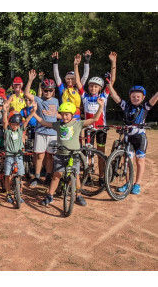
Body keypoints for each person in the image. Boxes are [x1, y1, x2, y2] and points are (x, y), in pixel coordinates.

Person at [33, 99, 105, 207]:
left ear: (72, 115)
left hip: (73, 154)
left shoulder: (78, 124)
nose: (64, 117)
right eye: (62, 115)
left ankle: (79, 195)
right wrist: (33, 113)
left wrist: (101, 106)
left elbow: (94, 119)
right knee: (56, 176)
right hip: (61, 154)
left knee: (76, 176)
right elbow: (43, 122)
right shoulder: (58, 125)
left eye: (67, 115)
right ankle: (49, 196)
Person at [107, 81, 158, 195]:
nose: (135, 98)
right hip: (128, 137)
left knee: (140, 160)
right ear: (130, 97)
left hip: (140, 137)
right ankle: (128, 183)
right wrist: (109, 84)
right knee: (127, 160)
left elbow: (155, 98)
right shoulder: (126, 106)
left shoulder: (145, 107)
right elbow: (115, 97)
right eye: (133, 96)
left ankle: (137, 184)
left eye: (138, 97)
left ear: (143, 97)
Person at [74, 52, 117, 184]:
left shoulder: (103, 95)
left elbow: (112, 81)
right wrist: (76, 65)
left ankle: (101, 177)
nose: (93, 88)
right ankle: (87, 176)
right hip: (88, 127)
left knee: (101, 153)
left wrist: (113, 63)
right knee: (87, 153)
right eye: (91, 86)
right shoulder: (85, 96)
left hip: (101, 129)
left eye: (96, 86)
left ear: (100, 88)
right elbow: (77, 81)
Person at [24, 70, 59, 187]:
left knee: (50, 155)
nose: (48, 92)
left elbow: (56, 114)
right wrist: (30, 80)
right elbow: (27, 93)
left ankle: (48, 176)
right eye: (45, 90)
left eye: (50, 90)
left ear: (53, 91)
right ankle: (37, 177)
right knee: (39, 155)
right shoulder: (39, 100)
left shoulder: (56, 101)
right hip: (40, 131)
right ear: (42, 90)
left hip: (53, 132)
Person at [2, 104, 35, 203]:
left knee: (20, 175)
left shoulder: (20, 130)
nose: (15, 126)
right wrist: (5, 111)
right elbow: (4, 121)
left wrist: (33, 112)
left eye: (17, 124)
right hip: (9, 156)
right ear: (10, 123)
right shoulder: (7, 130)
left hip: (19, 155)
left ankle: (19, 193)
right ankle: (8, 193)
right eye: (13, 124)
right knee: (7, 175)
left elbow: (27, 120)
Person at [52, 51, 91, 120]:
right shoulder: (62, 88)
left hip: (76, 116)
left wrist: (86, 62)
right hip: (64, 116)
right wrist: (55, 63)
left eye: (72, 79)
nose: (70, 81)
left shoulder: (78, 87)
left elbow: (85, 76)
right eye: (68, 79)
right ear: (65, 79)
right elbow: (56, 76)